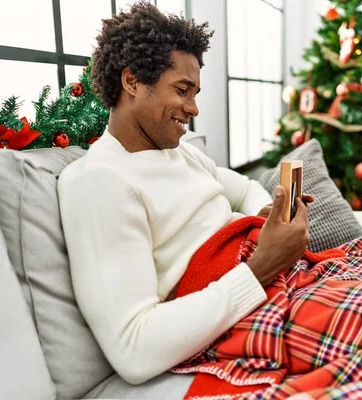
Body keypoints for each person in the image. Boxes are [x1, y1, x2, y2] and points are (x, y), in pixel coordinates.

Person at [58, 1, 312, 385]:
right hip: (261, 300)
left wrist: (268, 218)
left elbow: (243, 188)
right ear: (132, 82)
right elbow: (133, 347)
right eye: (182, 90)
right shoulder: (98, 182)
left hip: (287, 276)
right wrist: (262, 266)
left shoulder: (180, 153)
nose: (192, 108)